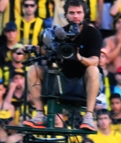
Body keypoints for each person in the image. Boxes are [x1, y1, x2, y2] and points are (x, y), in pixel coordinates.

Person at [25, 0, 102, 131]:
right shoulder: (59, 32)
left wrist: (79, 57)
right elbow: (47, 49)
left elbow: (95, 61)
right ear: (66, 15)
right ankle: (40, 114)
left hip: (83, 83)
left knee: (93, 70)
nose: (75, 16)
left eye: (79, 13)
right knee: (33, 69)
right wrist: (32, 48)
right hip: (61, 81)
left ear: (85, 14)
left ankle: (89, 116)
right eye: (72, 13)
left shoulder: (92, 33)